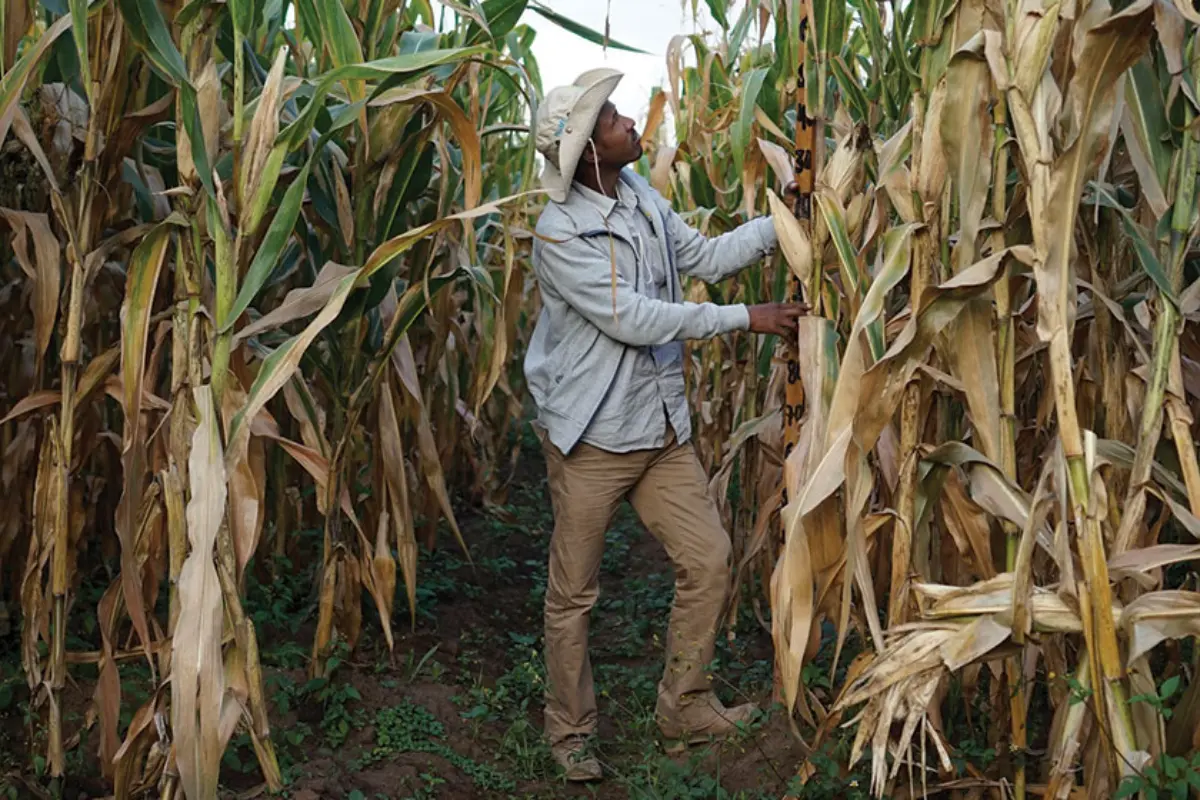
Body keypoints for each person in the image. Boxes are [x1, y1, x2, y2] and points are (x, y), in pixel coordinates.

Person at [525, 67, 807, 782]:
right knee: (574, 593)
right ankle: (570, 732)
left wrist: (785, 224)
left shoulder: (641, 196)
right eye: (612, 118)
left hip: (657, 429)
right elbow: (634, 319)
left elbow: (704, 257)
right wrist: (749, 318)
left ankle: (684, 706)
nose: (627, 121)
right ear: (589, 150)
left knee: (709, 561)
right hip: (592, 437)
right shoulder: (560, 235)